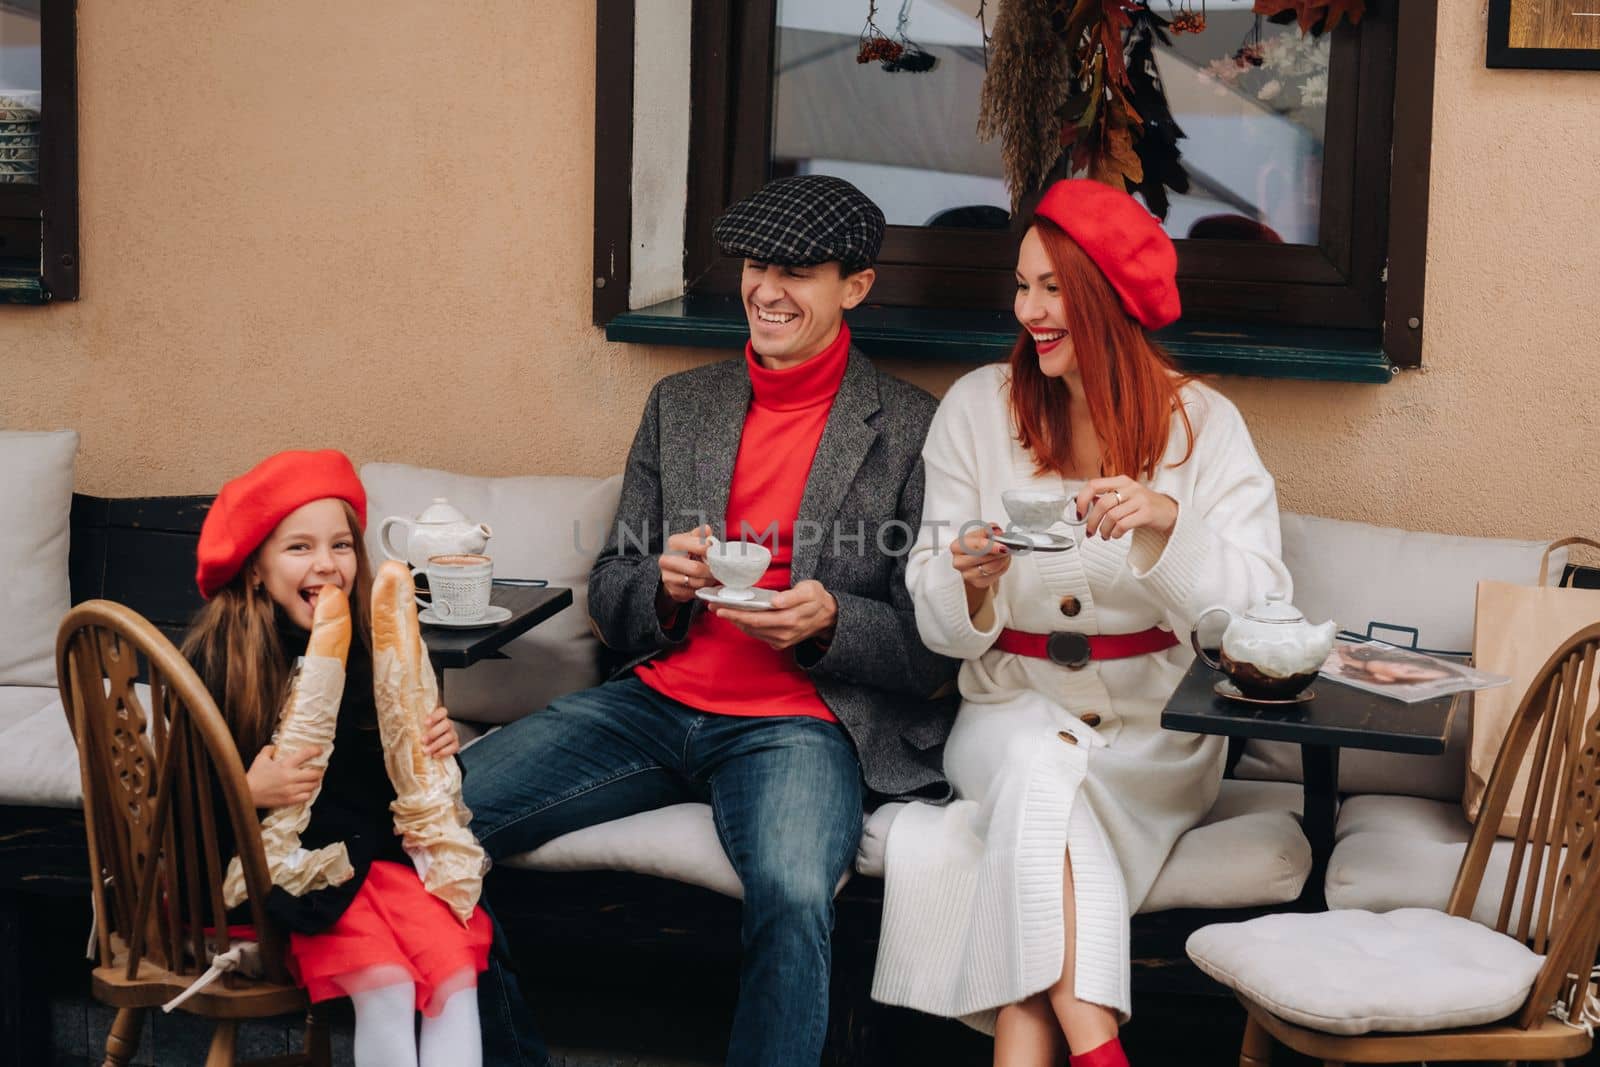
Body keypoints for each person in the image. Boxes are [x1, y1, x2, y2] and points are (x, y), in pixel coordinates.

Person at [461, 173, 959, 1067]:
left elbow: (933, 650)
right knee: (436, 820)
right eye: (757, 265)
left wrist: (830, 621)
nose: (766, 290)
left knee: (797, 890)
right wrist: (661, 585)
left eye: (797, 271)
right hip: (652, 702)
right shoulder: (682, 405)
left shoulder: (915, 428)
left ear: (856, 285)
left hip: (800, 726)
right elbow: (612, 600)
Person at [872, 179, 1291, 1067]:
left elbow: (1254, 616)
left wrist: (1168, 524)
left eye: (1053, 288)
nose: (1029, 310)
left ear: (1106, 294)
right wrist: (968, 581)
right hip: (1002, 712)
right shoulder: (977, 410)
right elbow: (939, 620)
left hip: (1154, 738)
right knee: (1035, 759)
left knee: (1040, 823)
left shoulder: (1205, 428)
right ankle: (1100, 1047)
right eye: (1022, 286)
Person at [184, 449, 493, 1067]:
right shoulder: (218, 662)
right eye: (299, 548)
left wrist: (428, 750)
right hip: (259, 886)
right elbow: (173, 802)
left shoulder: (369, 651)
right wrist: (246, 790)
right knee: (387, 984)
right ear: (254, 570)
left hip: (362, 864)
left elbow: (374, 792)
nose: (326, 564)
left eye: (341, 546)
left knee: (453, 975)